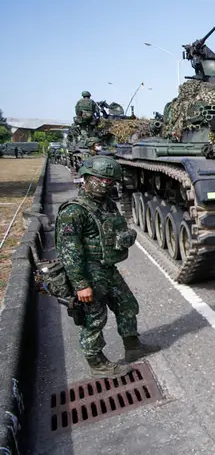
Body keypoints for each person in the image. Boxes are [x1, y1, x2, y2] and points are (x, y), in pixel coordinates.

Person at [55, 156, 159, 378]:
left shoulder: (106, 204)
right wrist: (81, 284)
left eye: (110, 182)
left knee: (127, 305)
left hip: (107, 269)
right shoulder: (73, 212)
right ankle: (97, 363)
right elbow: (69, 252)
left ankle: (133, 347)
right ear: (86, 178)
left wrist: (125, 238)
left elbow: (115, 230)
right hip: (89, 272)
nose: (105, 185)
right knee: (95, 318)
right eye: (101, 179)